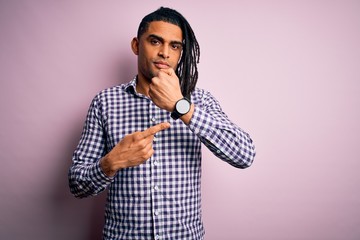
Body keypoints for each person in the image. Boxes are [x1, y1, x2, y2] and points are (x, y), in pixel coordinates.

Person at [68, 6, 256, 240]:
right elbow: (77, 184)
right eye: (155, 42)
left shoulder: (199, 100)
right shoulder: (105, 102)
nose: (165, 53)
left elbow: (245, 154)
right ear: (137, 45)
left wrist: (181, 106)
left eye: (174, 46)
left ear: (180, 53)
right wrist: (110, 163)